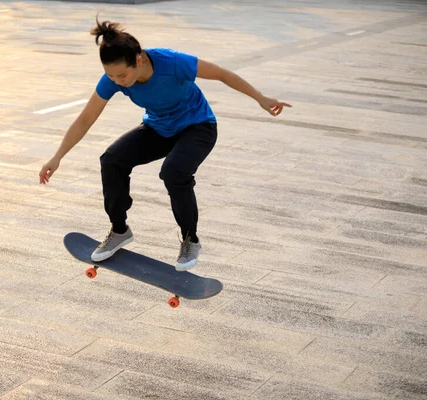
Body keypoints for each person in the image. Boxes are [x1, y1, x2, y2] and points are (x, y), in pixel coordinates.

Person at [39, 18, 291, 271]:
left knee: (173, 172)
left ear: (139, 60)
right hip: (159, 129)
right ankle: (119, 230)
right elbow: (86, 118)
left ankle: (190, 240)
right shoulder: (114, 79)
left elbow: (222, 74)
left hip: (198, 127)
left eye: (122, 75)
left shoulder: (173, 63)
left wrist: (260, 98)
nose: (118, 81)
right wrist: (57, 156)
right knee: (111, 160)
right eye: (111, 76)